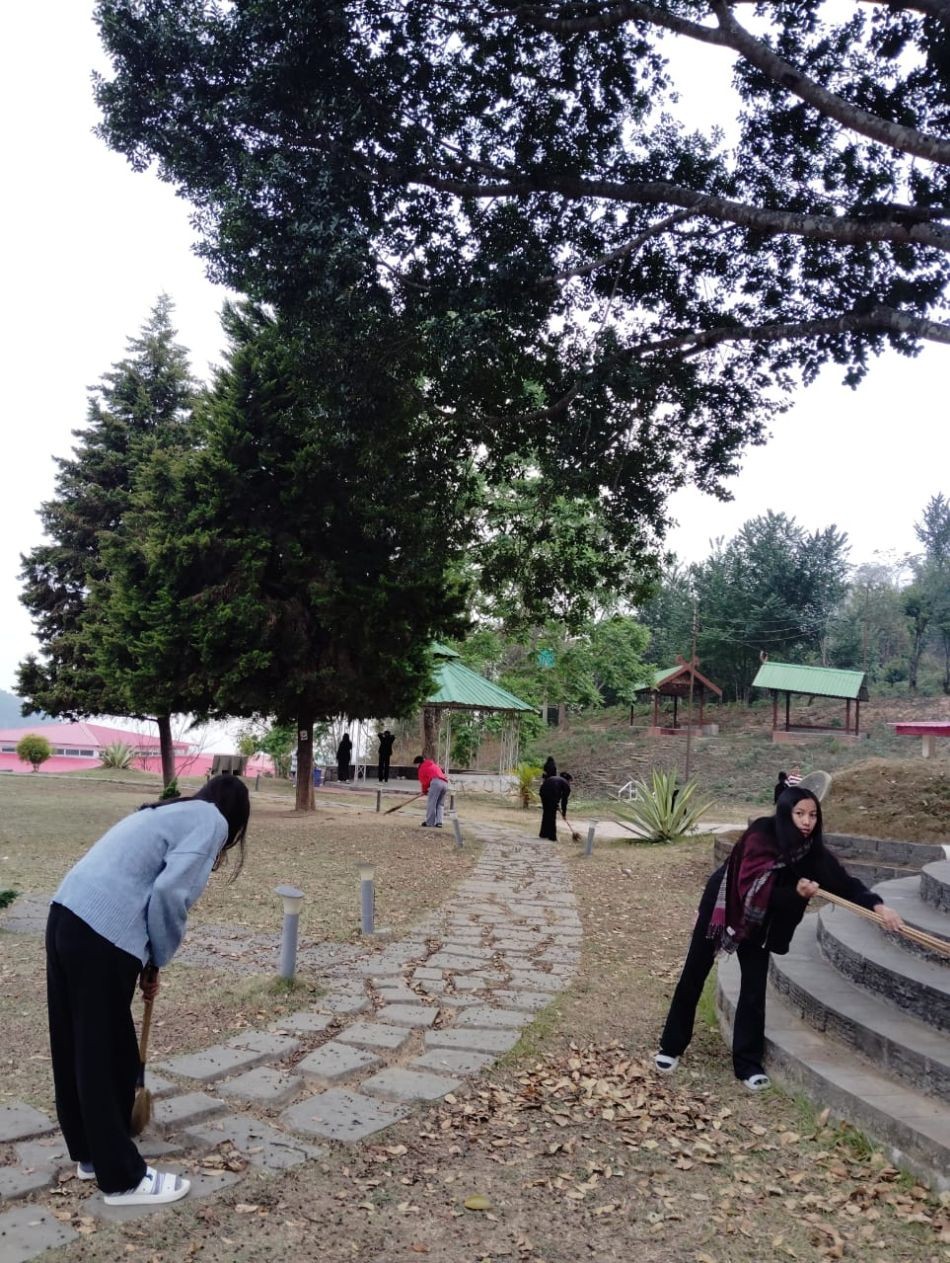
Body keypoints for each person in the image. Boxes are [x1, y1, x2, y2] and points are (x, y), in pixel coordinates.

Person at [46, 775, 251, 1206]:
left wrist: (147, 959)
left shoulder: (169, 810)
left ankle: (90, 1152)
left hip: (66, 913)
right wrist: (159, 954)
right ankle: (122, 1178)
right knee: (106, 1053)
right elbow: (169, 893)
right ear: (235, 821)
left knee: (78, 1044)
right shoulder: (211, 821)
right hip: (103, 932)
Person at [654, 787, 902, 1091]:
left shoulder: (811, 853)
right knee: (694, 973)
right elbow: (749, 891)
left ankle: (748, 1064)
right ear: (786, 813)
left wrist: (878, 905)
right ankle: (671, 1046)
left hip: (761, 925)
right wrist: (794, 893)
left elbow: (845, 883)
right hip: (725, 905)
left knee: (754, 989)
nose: (807, 821)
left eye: (812, 815)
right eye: (799, 814)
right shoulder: (761, 834)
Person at [413, 754, 449, 828]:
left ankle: (429, 822)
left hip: (436, 783)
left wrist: (424, 791)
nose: (416, 767)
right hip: (445, 783)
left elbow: (424, 782)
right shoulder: (433, 764)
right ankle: (439, 822)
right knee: (440, 804)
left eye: (416, 765)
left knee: (431, 803)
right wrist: (426, 791)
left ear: (418, 763)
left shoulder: (422, 768)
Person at [539, 772, 572, 841]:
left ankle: (543, 834)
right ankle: (552, 837)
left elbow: (556, 792)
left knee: (546, 813)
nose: (570, 783)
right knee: (552, 815)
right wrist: (564, 813)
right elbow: (564, 800)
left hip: (543, 792)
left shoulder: (557, 779)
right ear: (568, 780)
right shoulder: (566, 783)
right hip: (551, 794)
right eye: (570, 781)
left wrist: (555, 803)